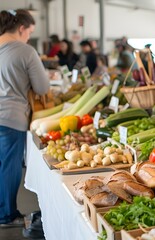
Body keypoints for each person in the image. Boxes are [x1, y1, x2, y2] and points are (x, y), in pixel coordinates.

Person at [0, 9, 49, 228]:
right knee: (9, 167)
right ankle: (6, 215)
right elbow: (42, 87)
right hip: (11, 117)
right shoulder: (25, 51)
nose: (29, 36)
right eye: (30, 32)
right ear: (21, 28)